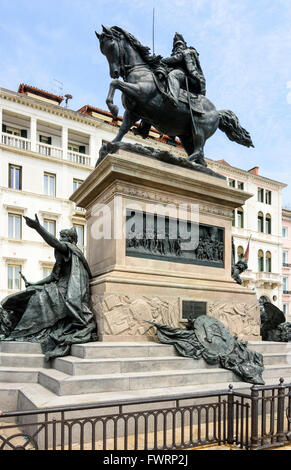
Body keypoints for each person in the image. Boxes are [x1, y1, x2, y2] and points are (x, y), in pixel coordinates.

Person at [0, 215, 97, 360]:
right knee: (28, 293)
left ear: (70, 240)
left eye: (63, 236)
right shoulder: (64, 254)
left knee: (37, 299)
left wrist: (38, 228)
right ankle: (12, 327)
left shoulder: (70, 250)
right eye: (60, 236)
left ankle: (21, 331)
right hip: (59, 287)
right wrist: (34, 283)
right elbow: (53, 276)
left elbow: (56, 244)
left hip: (67, 292)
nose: (61, 239)